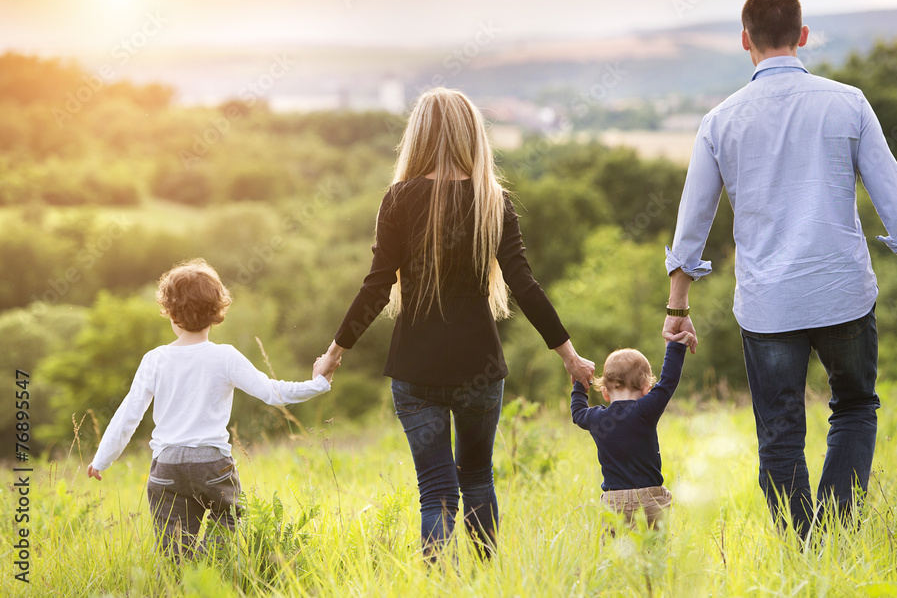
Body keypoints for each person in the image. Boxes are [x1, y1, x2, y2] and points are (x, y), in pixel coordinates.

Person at [662, 0, 897, 539]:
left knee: (780, 435)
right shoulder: (849, 103)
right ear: (804, 36)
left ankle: (802, 550)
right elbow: (896, 198)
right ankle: (838, 535)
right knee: (856, 407)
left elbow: (691, 223)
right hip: (843, 293)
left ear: (745, 40)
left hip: (768, 307)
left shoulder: (719, 121)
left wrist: (678, 306)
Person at [313, 87, 595, 562]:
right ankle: (486, 582)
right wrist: (569, 355)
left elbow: (377, 286)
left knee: (436, 492)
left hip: (414, 368)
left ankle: (440, 586)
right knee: (478, 479)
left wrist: (334, 352)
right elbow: (524, 285)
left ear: (417, 135)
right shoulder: (493, 200)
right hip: (478, 367)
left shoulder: (399, 198)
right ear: (472, 135)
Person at [87, 259, 333, 559]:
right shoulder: (225, 357)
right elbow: (273, 393)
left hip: (167, 467)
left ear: (170, 312)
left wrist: (102, 459)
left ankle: (188, 577)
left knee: (174, 551)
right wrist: (319, 383)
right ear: (217, 312)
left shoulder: (155, 359)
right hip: (212, 465)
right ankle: (211, 563)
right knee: (231, 521)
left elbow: (129, 414)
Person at [571, 336, 693, 534]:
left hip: (614, 503)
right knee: (654, 557)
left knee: (615, 558)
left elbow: (577, 413)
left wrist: (579, 385)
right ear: (646, 389)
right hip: (650, 501)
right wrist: (676, 347)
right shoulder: (645, 410)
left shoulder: (597, 418)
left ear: (605, 393)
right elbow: (668, 381)